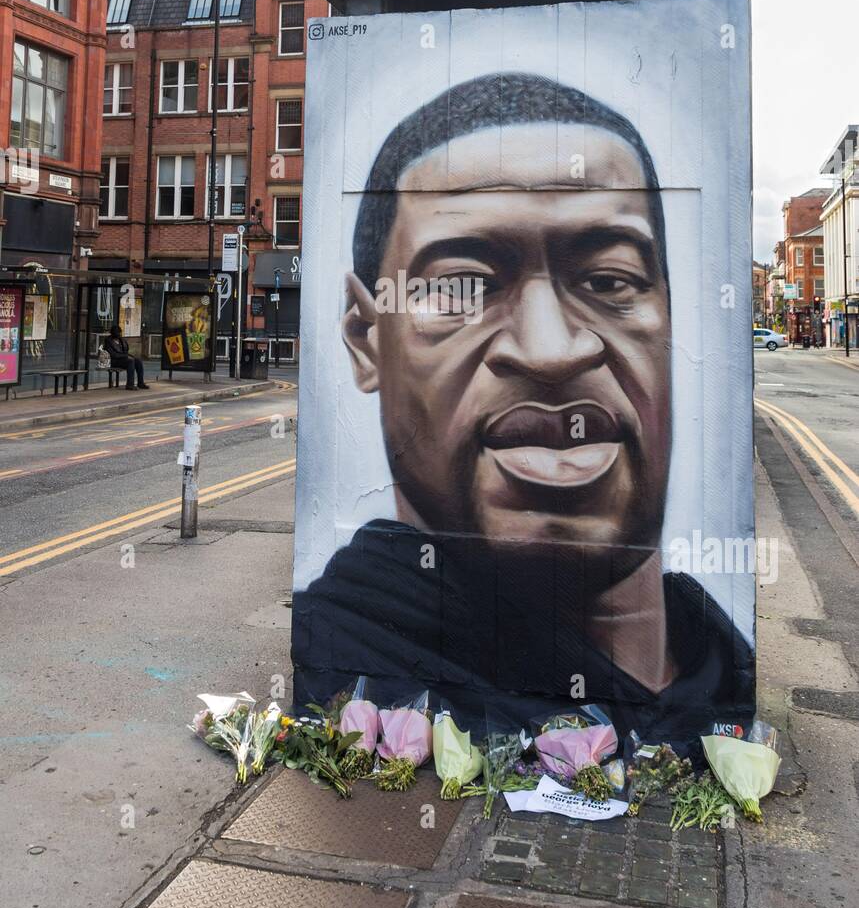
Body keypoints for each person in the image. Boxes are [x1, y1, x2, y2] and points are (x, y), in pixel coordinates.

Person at [292, 72, 753, 742]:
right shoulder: (339, 668)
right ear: (367, 341)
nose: (550, 350)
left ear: (670, 319)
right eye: (460, 286)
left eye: (608, 281)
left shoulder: (724, 668)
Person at [104, 323, 149, 390]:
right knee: (130, 361)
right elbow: (113, 354)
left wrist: (129, 356)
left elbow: (126, 351)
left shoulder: (121, 340)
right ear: (113, 333)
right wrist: (125, 356)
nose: (119, 334)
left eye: (119, 333)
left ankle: (140, 383)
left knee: (138, 361)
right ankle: (130, 385)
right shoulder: (108, 341)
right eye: (117, 333)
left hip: (123, 359)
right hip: (114, 361)